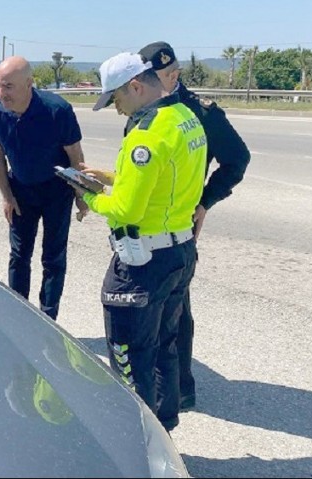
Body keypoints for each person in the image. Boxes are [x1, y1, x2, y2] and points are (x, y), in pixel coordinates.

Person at [75, 52, 206, 431]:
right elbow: (165, 179)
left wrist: (90, 195)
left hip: (142, 263)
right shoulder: (184, 118)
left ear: (135, 86)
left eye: (115, 99)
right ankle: (163, 430)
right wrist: (113, 175)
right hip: (179, 251)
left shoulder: (144, 136)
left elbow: (127, 210)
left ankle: (136, 443)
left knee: (129, 358)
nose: (116, 109)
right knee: (165, 346)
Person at [136, 41, 251, 412]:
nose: (167, 81)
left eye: (170, 75)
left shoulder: (200, 113)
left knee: (175, 310)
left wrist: (205, 202)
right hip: (142, 225)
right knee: (145, 309)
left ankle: (180, 389)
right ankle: (152, 385)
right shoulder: (142, 108)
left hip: (177, 230)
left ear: (174, 75)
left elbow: (237, 159)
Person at [0, 56, 88, 321]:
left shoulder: (57, 110)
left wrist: (81, 195)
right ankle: (19, 314)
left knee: (53, 258)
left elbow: (76, 157)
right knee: (19, 254)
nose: (1, 93)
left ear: (29, 84)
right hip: (20, 189)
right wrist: (7, 196)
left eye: (8, 86)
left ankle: (48, 317)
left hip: (56, 190)